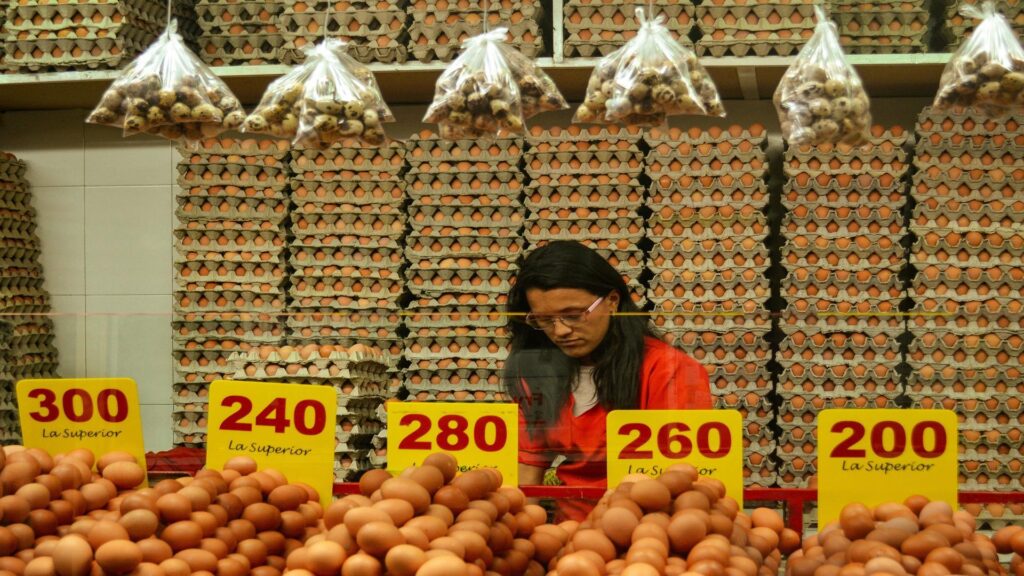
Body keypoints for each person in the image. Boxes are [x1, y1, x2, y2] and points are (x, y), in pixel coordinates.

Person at [502, 241, 712, 519]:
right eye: (544, 320)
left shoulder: (668, 370)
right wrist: (520, 530)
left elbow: (679, 477)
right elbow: (528, 466)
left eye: (574, 315)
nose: (560, 331)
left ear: (612, 301)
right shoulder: (542, 370)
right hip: (570, 530)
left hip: (645, 526)